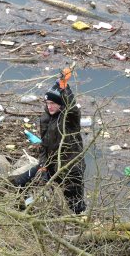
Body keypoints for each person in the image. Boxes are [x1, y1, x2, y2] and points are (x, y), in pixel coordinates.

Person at [11, 69, 86, 214]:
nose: (50, 106)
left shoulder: (69, 119)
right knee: (20, 182)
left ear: (60, 104)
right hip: (50, 166)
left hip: (69, 169)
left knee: (75, 203)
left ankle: (78, 223)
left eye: (53, 103)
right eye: (48, 103)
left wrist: (65, 87)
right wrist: (43, 166)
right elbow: (44, 146)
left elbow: (72, 107)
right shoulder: (46, 118)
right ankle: (25, 208)